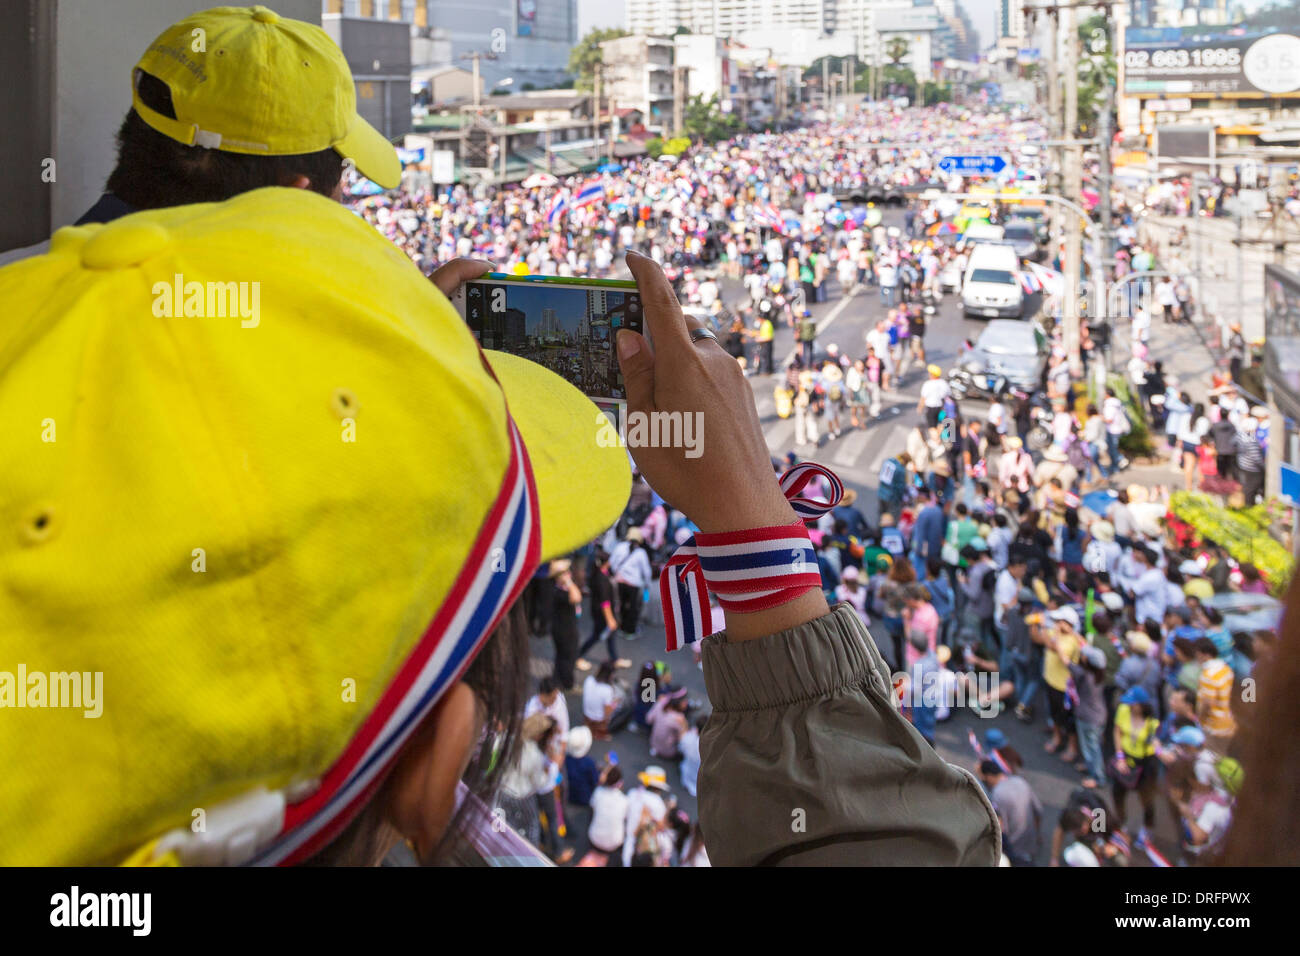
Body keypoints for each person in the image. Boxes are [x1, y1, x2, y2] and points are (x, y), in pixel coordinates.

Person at [1111, 687, 1161, 841]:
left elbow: (1156, 744)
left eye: (1133, 704)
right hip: (1125, 758)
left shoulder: (1152, 722)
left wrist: (1160, 750)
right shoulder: (1123, 710)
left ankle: (1147, 830)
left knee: (1146, 798)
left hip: (1145, 764)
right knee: (1117, 794)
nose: (1129, 706)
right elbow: (1117, 731)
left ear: (1141, 706)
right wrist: (1120, 757)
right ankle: (1122, 824)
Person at [978, 760, 1042, 866]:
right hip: (1031, 841)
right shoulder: (1020, 781)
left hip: (1015, 848)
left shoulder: (997, 795)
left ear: (989, 776)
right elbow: (1038, 811)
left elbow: (1001, 828)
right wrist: (1037, 834)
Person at [587, 764, 630, 862]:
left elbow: (592, 806)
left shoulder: (598, 792)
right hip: (614, 844)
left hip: (595, 840)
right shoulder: (625, 800)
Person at [583, 661, 628, 740]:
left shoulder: (589, 679)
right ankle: (600, 734)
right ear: (610, 675)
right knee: (623, 707)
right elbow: (607, 712)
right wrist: (616, 702)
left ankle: (589, 728)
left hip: (586, 713)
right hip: (598, 718)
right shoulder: (607, 690)